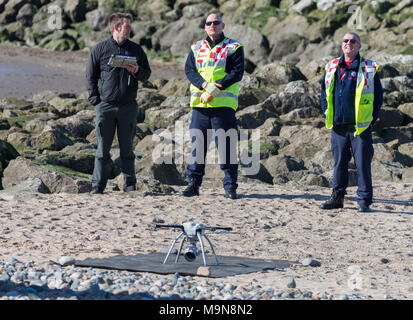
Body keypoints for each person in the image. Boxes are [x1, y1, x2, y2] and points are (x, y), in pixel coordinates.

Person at [181, 13, 244, 199]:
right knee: (197, 147)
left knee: (226, 147)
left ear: (222, 25)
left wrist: (217, 87)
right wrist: (203, 85)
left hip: (223, 105)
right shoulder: (196, 47)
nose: (212, 25)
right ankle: (193, 185)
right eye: (209, 23)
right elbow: (189, 70)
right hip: (200, 106)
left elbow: (237, 72)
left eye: (216, 22)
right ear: (205, 27)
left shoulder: (234, 47)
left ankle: (230, 186)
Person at [86, 13, 151, 194]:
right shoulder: (99, 49)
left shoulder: (136, 50)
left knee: (127, 149)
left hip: (128, 107)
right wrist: (95, 101)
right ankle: (97, 185)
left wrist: (137, 70)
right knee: (102, 149)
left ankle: (129, 185)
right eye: (127, 27)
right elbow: (90, 76)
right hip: (105, 106)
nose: (130, 30)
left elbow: (147, 74)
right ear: (116, 27)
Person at [320, 32, 383, 212]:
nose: (348, 43)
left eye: (352, 41)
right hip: (338, 125)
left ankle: (364, 200)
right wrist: (326, 113)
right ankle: (337, 198)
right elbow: (324, 92)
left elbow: (378, 97)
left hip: (360, 127)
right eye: (345, 41)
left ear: (359, 46)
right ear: (342, 45)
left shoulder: (369, 68)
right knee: (339, 163)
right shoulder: (331, 66)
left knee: (362, 164)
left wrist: (372, 119)